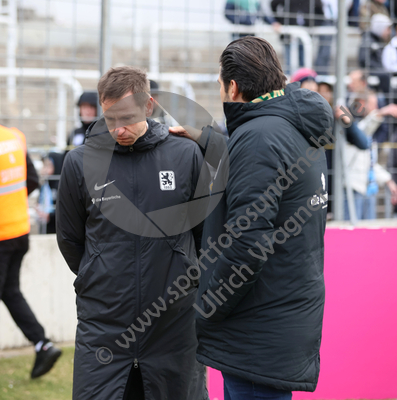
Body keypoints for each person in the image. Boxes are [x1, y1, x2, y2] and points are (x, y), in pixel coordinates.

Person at [171, 36, 333, 399]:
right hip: (281, 313)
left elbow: (247, 242)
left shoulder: (258, 138)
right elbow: (271, 175)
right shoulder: (295, 126)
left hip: (258, 327)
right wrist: (212, 140)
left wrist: (208, 305)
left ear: (233, 86)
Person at [56, 66, 210, 400]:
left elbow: (203, 235)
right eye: (110, 119)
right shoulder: (80, 163)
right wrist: (101, 272)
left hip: (174, 324)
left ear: (149, 106)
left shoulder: (185, 155)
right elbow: (70, 240)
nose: (119, 128)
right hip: (104, 324)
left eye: (126, 117)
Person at [0, 125, 62, 378]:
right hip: (19, 231)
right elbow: (32, 181)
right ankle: (42, 344)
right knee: (10, 292)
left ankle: (42, 344)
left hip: (2, 235)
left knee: (10, 291)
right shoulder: (14, 136)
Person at [344, 92, 397, 219]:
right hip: (353, 188)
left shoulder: (368, 132)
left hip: (368, 188)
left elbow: (369, 162)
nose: (377, 107)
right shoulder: (349, 125)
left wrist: (388, 180)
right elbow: (362, 131)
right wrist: (381, 113)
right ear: (362, 103)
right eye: (374, 104)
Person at [271, 0, 324, 74]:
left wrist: (313, 25)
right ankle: (291, 83)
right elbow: (273, 4)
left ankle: (303, 81)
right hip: (289, 35)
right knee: (289, 63)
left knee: (304, 63)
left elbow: (320, 13)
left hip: (306, 34)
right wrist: (278, 21)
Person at [358, 14, 393, 93]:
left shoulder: (377, 40)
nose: (389, 32)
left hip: (377, 70)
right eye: (387, 29)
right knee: (385, 76)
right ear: (380, 28)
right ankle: (390, 101)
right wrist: (379, 69)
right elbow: (363, 59)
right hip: (370, 71)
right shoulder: (368, 40)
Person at [36, 152, 65, 234]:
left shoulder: (61, 186)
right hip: (45, 228)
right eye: (43, 165)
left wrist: (50, 216)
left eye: (48, 166)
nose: (44, 170)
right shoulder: (45, 185)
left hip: (57, 230)